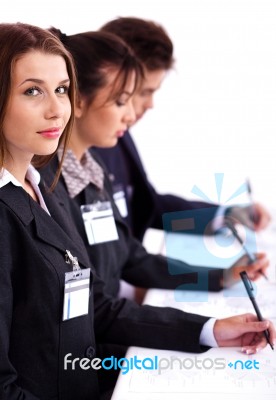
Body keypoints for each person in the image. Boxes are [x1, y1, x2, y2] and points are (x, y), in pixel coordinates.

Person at [2, 23, 274, 400]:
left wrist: (211, 324)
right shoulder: (39, 188)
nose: (55, 109)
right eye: (33, 91)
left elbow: (97, 295)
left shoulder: (48, 186)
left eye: (61, 90)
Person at [93, 17, 271, 242]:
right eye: (142, 92)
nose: (150, 104)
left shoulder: (120, 137)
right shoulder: (78, 150)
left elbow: (148, 207)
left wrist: (227, 216)